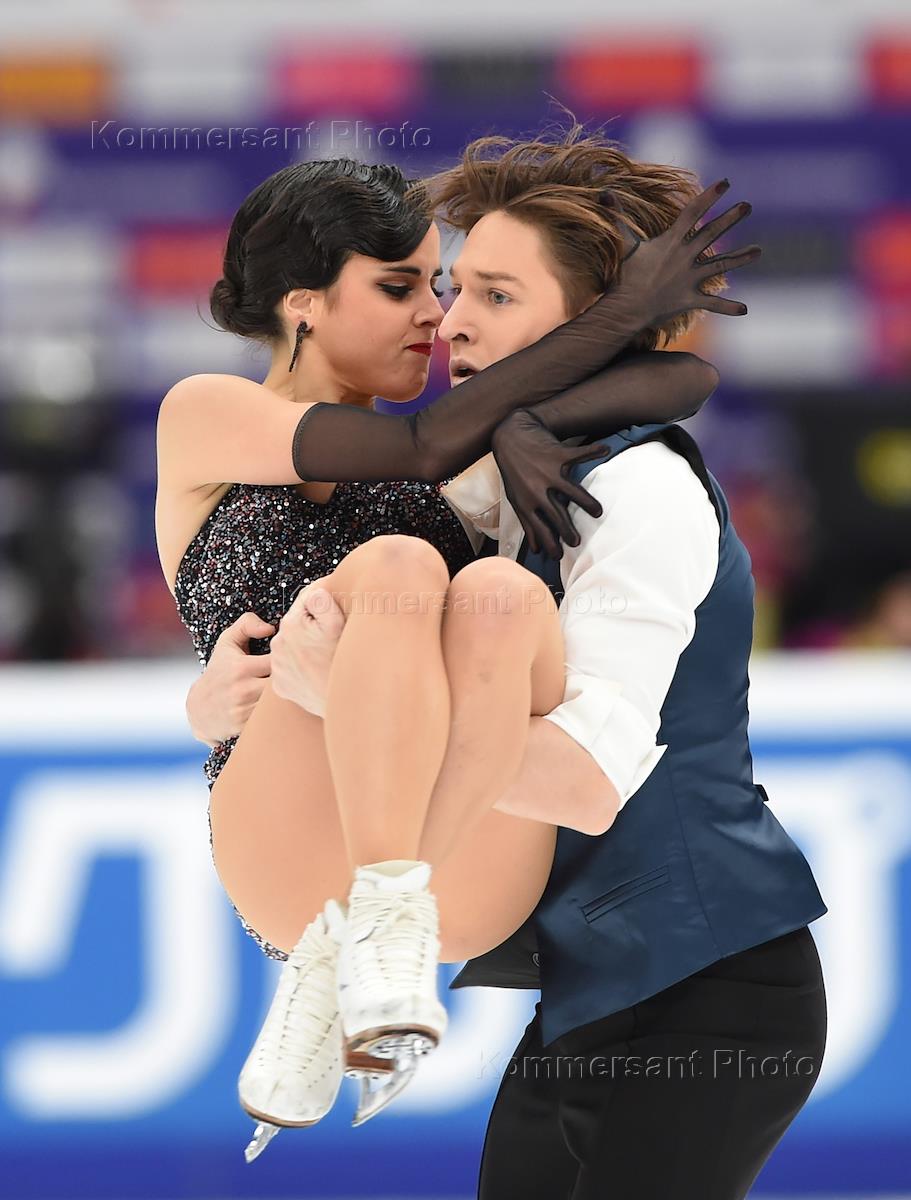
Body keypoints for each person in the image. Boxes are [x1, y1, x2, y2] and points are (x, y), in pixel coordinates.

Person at [157, 144, 757, 1161]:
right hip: (286, 828)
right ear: (303, 304)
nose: (436, 316)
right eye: (400, 288)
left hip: (459, 880)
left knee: (498, 592)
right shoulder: (206, 412)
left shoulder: (462, 457)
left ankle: (364, 938)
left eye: (440, 287)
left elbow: (681, 376)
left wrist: (528, 419)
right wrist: (585, 349)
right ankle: (359, 926)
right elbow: (420, 444)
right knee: (399, 559)